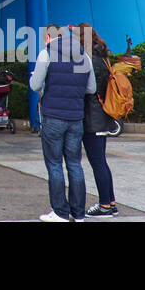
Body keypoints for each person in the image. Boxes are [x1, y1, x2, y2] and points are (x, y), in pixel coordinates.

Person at [29, 23, 95, 222]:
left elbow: (34, 85)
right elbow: (91, 89)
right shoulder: (85, 55)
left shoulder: (46, 54)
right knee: (75, 165)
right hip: (76, 118)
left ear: (48, 38)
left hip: (52, 118)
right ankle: (79, 213)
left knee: (55, 164)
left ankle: (60, 213)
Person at [76, 23, 119, 217]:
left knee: (97, 162)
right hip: (103, 115)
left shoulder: (87, 60)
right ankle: (110, 202)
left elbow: (87, 89)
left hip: (92, 118)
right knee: (101, 161)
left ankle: (104, 206)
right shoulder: (103, 57)